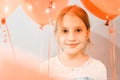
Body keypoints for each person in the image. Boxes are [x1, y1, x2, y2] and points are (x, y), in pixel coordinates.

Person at [40, 5, 107, 80]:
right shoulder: (47, 68)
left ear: (87, 33)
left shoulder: (98, 68)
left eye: (78, 30)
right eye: (65, 31)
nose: (71, 38)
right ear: (57, 34)